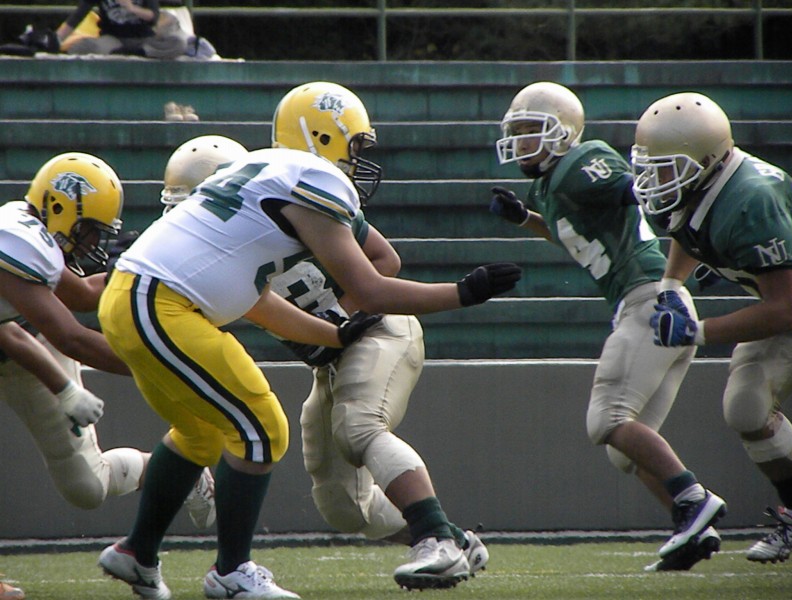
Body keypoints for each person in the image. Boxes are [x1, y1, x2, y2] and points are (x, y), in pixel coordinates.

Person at [96, 80, 518, 600]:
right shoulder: (312, 176)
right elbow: (365, 285)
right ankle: (226, 571)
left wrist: (334, 329)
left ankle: (142, 554)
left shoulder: (258, 178)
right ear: (324, 137)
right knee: (267, 433)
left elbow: (261, 297)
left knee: (209, 432)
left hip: (135, 300)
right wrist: (465, 292)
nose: (359, 159)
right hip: (161, 304)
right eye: (356, 145)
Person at [159, 131, 489, 591]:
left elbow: (384, 260)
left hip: (377, 329)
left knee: (358, 426)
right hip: (329, 359)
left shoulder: (292, 205)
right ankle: (453, 536)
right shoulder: (208, 260)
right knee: (343, 505)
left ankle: (439, 543)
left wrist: (338, 316)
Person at [490, 81, 726, 572]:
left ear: (563, 132)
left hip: (650, 300)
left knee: (607, 420)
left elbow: (640, 192)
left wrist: (698, 241)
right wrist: (526, 218)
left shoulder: (582, 163)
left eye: (532, 130)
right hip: (645, 305)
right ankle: (691, 530)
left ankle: (693, 498)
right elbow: (578, 236)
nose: (521, 142)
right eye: (517, 132)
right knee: (627, 448)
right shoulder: (550, 185)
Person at [0, 151, 214, 527]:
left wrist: (135, 272)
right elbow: (73, 339)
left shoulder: (27, 234)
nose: (93, 242)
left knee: (86, 486)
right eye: (90, 229)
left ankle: (184, 473)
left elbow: (81, 295)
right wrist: (162, 364)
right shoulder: (15, 242)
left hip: (24, 347)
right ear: (60, 207)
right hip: (25, 342)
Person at [630, 91, 792, 564]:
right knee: (747, 409)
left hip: (791, 304)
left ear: (706, 159)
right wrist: (670, 284)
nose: (655, 180)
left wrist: (697, 331)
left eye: (667, 169)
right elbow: (690, 229)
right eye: (651, 168)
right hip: (788, 302)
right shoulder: (706, 183)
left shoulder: (752, 200)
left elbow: (786, 309)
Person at [56, 1, 188, 59]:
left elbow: (153, 17)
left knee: (178, 43)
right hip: (113, 40)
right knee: (79, 47)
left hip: (142, 40)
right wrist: (57, 38)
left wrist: (132, 8)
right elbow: (78, 16)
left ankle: (139, 52)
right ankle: (121, 52)